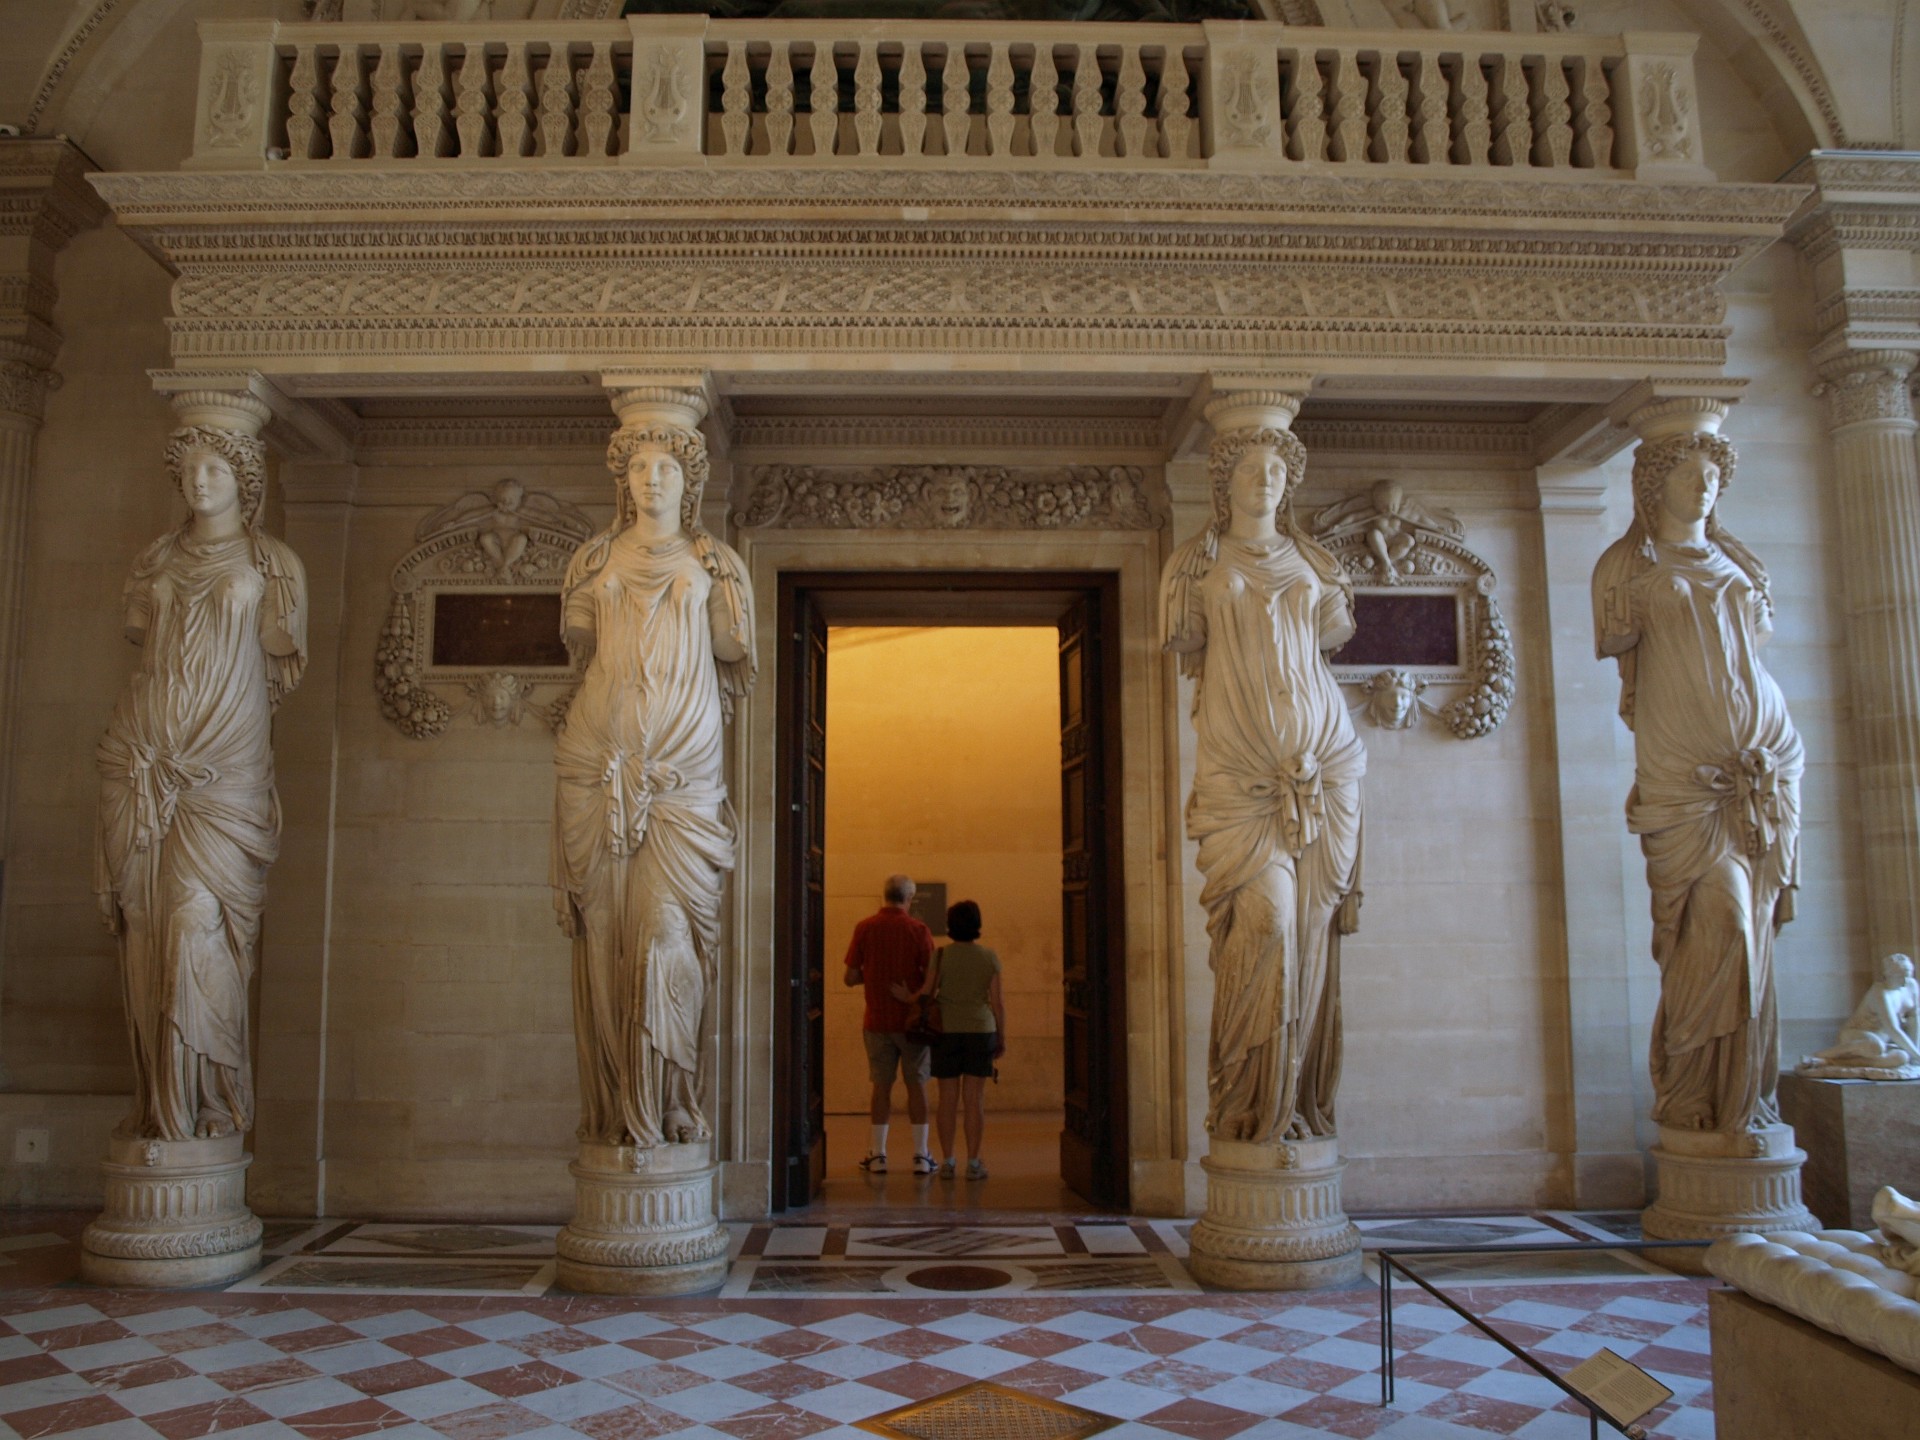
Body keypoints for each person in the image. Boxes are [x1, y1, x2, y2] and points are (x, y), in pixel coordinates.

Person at [95, 424, 307, 1141]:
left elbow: (280, 658)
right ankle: (162, 1111)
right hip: (144, 756)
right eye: (190, 467)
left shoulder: (272, 563)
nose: (201, 479)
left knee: (197, 925)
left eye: (216, 465)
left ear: (244, 476)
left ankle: (210, 1104)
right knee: (148, 931)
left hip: (226, 765)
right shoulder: (154, 557)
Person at [551, 423, 754, 1153]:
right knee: (604, 942)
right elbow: (579, 647)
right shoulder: (595, 558)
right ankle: (615, 1116)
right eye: (639, 466)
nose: (653, 479)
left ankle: (669, 1105)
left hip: (683, 773)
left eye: (667, 465)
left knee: (667, 940)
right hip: (598, 766)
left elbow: (732, 649)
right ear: (624, 480)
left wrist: (724, 588)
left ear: (689, 478)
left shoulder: (714, 560)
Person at [1160, 426, 1365, 1144]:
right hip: (1239, 778)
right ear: (1225, 480)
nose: (1266, 478)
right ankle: (1249, 1105)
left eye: (1278, 467)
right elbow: (1185, 639)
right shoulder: (1197, 563)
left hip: (1327, 770)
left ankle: (1295, 1110)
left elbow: (1331, 637)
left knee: (1309, 939)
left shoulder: (1314, 559)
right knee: (1268, 923)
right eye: (1251, 466)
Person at [1593, 429, 1800, 1134]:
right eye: (1687, 473)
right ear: (1653, 484)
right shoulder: (1625, 566)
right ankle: (1693, 1093)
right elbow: (1623, 645)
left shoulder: (1738, 559)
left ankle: (1744, 1106)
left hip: (1764, 769)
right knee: (1720, 921)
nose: (1703, 486)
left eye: (1712, 473)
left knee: (1756, 935)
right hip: (1683, 781)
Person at [899, 900, 1005, 1179]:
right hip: (981, 1031)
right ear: (977, 924)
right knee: (974, 1099)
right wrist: (1001, 1038)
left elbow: (927, 992)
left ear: (951, 925)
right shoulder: (989, 957)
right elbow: (998, 1003)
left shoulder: (941, 955)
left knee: (947, 1099)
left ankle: (947, 1162)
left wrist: (904, 997)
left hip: (946, 1031)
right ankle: (973, 1163)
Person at [843, 874, 935, 1174]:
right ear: (909, 898)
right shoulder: (918, 929)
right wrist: (911, 995)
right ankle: (921, 1155)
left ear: (884, 895)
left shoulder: (865, 928)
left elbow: (850, 976)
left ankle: (878, 1154)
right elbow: (933, 979)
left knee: (881, 1086)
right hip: (911, 1024)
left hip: (877, 1020)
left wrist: (873, 977)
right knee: (917, 1086)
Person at [1800, 953, 1920, 1072]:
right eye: (1900, 977)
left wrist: (1915, 1052)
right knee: (1875, 1046)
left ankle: (1830, 1062)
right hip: (1856, 1035)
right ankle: (1820, 1056)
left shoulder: (1911, 986)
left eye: (1908, 976)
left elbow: (1914, 1018)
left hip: (1883, 1040)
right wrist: (1917, 1055)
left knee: (1901, 1058)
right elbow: (1892, 1029)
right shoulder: (1879, 993)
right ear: (1888, 975)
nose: (1905, 982)